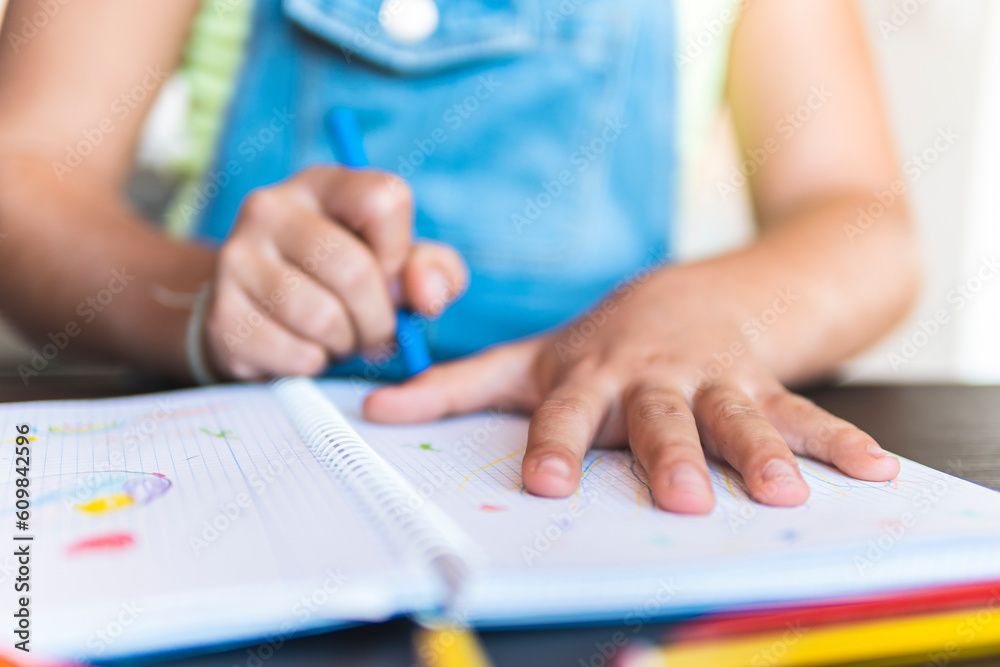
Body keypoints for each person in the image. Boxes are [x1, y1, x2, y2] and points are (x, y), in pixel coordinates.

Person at [0, 0, 919, 514]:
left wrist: (717, 310)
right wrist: (199, 303)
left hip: (608, 476)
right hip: (230, 474)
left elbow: (862, 219)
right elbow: (23, 175)